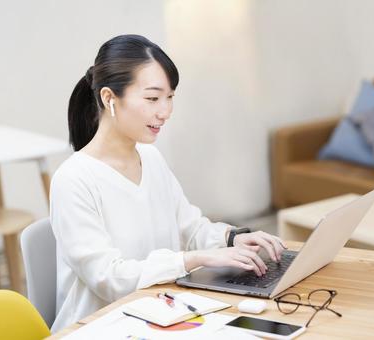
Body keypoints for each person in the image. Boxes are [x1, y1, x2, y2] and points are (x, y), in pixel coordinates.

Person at [50, 34, 285, 332]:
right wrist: (192, 260)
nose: (165, 111)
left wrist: (231, 239)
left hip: (163, 315)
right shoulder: (73, 179)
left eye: (170, 97)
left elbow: (190, 228)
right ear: (109, 98)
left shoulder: (151, 158)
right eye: (152, 98)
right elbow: (107, 278)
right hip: (102, 327)